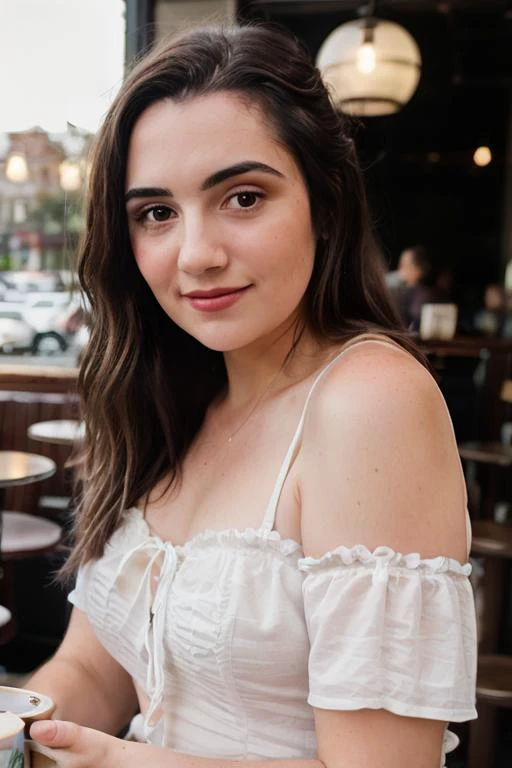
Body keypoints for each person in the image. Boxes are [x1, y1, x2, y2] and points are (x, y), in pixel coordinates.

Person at [25, 23, 476, 768]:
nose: (197, 255)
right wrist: (22, 729)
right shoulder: (170, 394)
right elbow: (94, 667)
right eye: (156, 213)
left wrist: (110, 761)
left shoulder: (371, 402)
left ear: (324, 205)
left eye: (241, 197)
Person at [386, 245, 440, 330]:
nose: (400, 270)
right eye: (400, 265)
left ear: (419, 270)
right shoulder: (393, 286)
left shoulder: (426, 294)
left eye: (405, 265)